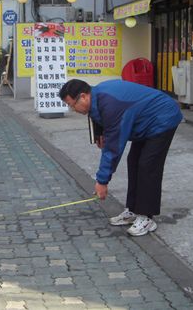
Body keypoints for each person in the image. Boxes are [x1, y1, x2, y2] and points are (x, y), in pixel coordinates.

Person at [59, 79, 182, 237]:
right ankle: (132, 210)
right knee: (134, 161)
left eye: (72, 105)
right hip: (144, 121)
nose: (73, 109)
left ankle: (146, 217)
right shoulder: (97, 95)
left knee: (147, 165)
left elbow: (113, 147)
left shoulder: (110, 105)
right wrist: (99, 133)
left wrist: (102, 181)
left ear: (83, 96)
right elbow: (97, 115)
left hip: (163, 118)